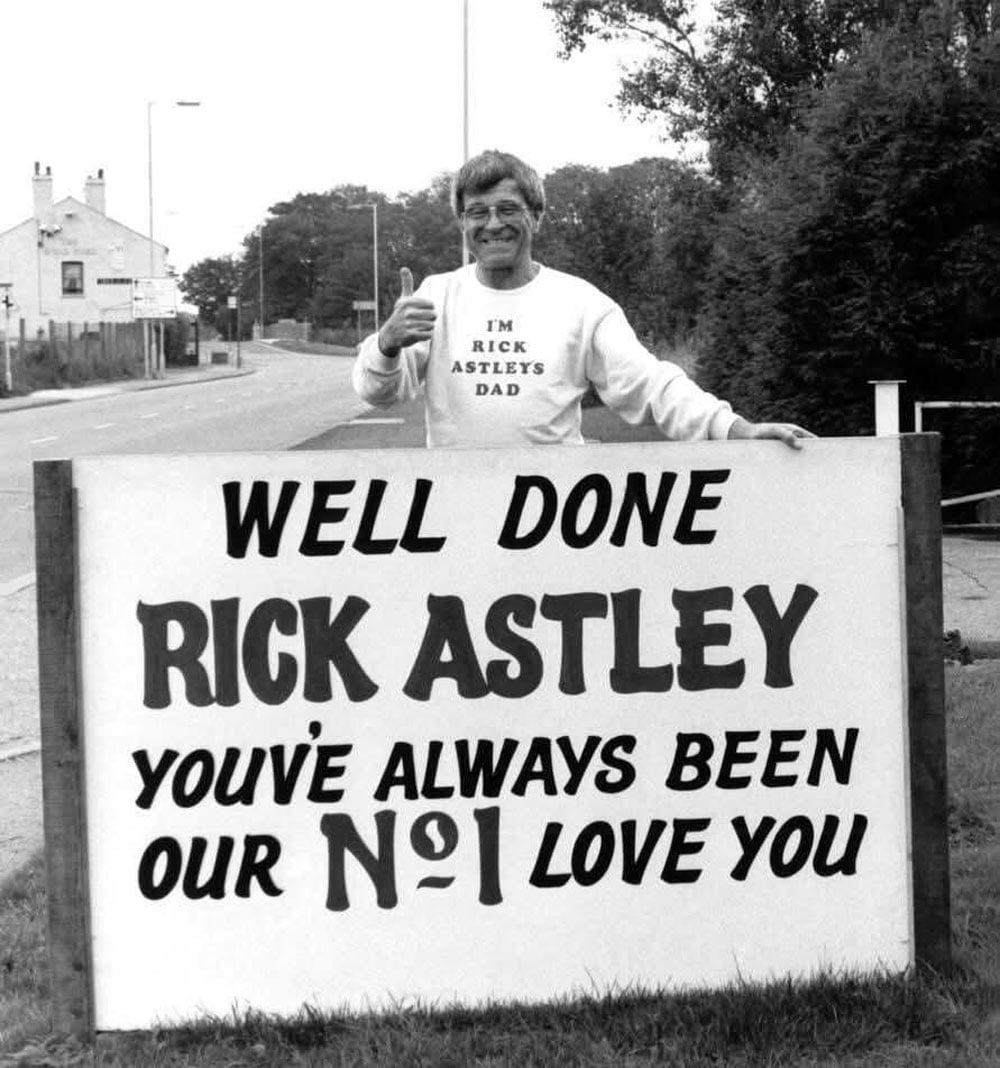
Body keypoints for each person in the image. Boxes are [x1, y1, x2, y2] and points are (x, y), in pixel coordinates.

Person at [353, 150, 813, 450]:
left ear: (536, 217)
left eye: (508, 209)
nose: (493, 224)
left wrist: (736, 430)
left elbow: (650, 386)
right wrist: (387, 344)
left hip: (553, 523)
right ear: (462, 224)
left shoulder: (580, 303)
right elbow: (379, 394)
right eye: (477, 213)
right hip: (456, 517)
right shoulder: (435, 296)